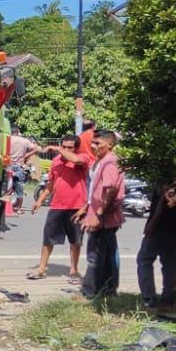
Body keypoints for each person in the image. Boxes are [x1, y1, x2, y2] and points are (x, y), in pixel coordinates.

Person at [27, 132, 89, 281]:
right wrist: (40, 200)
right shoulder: (56, 161)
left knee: (76, 240)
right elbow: (51, 184)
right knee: (48, 238)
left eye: (70, 147)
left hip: (76, 207)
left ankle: (74, 271)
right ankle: (41, 269)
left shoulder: (82, 159)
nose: (66, 149)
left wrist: (60, 150)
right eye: (63, 146)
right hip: (57, 206)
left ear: (77, 148)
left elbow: (76, 159)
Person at [77, 128, 125, 300]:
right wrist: (87, 207)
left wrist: (98, 214)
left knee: (95, 256)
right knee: (108, 255)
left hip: (103, 217)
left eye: (98, 143)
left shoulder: (110, 162)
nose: (94, 146)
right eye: (93, 142)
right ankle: (109, 290)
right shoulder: (100, 161)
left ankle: (89, 292)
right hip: (100, 214)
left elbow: (110, 190)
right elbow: (95, 190)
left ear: (110, 144)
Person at [137, 181, 176, 310]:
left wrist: (152, 223)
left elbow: (166, 201)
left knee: (144, 260)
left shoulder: (170, 180)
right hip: (173, 227)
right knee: (170, 265)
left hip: (160, 227)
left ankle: (150, 299)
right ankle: (168, 299)